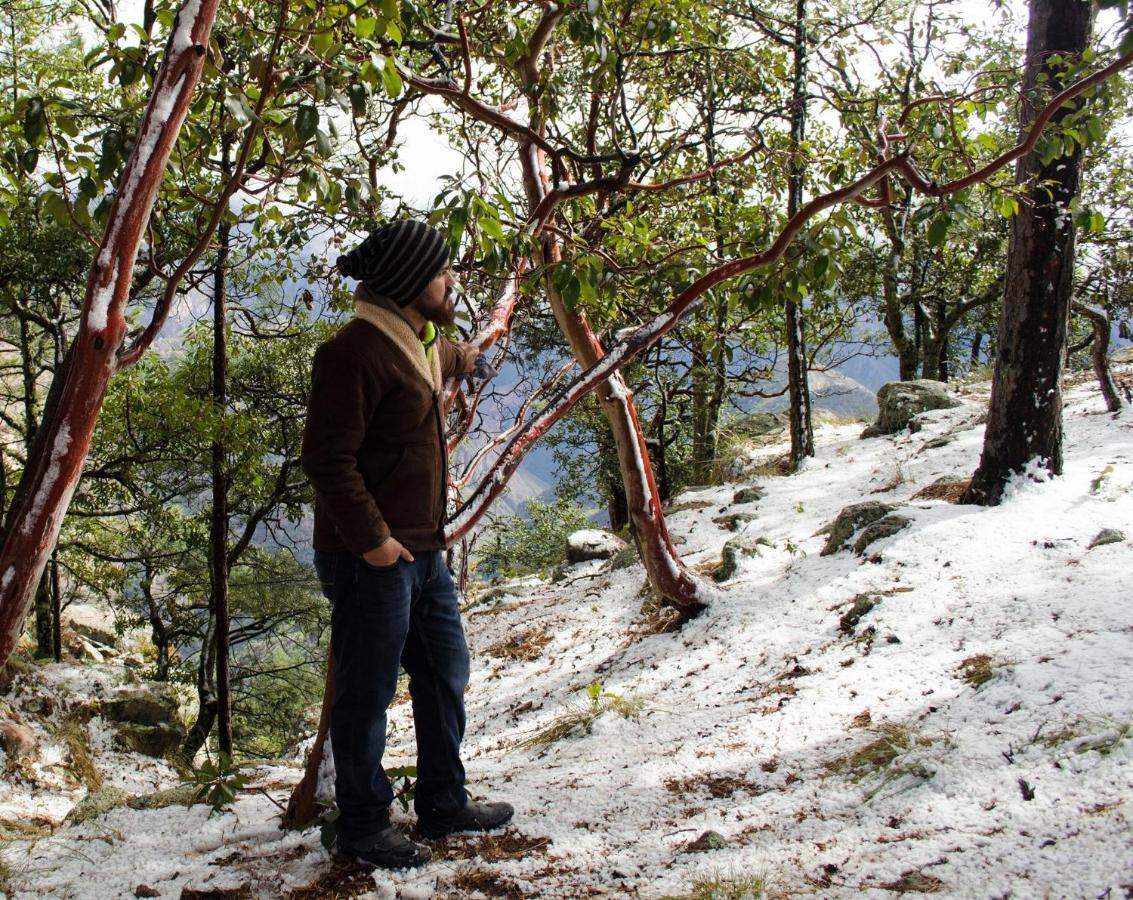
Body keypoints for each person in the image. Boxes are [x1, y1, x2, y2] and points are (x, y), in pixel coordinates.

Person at [301, 219, 512, 869]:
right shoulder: (351, 353)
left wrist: (468, 357)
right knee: (366, 692)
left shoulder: (417, 341)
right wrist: (375, 544)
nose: (450, 281)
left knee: (444, 672)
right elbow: (326, 460)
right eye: (441, 272)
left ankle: (443, 803)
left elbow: (438, 360)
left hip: (421, 550)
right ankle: (363, 827)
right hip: (374, 557)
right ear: (408, 282)